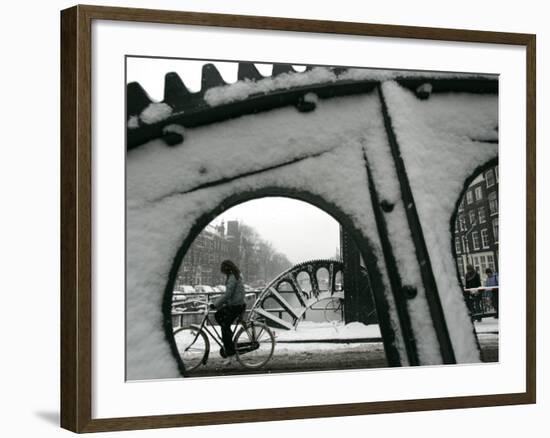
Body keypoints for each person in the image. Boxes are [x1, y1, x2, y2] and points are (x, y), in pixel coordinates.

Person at [210, 260, 246, 365]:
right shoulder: (234, 275)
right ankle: (228, 337)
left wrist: (215, 304)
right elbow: (230, 295)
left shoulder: (232, 277)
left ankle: (230, 354)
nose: (223, 272)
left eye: (223, 270)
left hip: (236, 306)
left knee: (225, 326)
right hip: (235, 304)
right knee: (218, 315)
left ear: (226, 269)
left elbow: (228, 294)